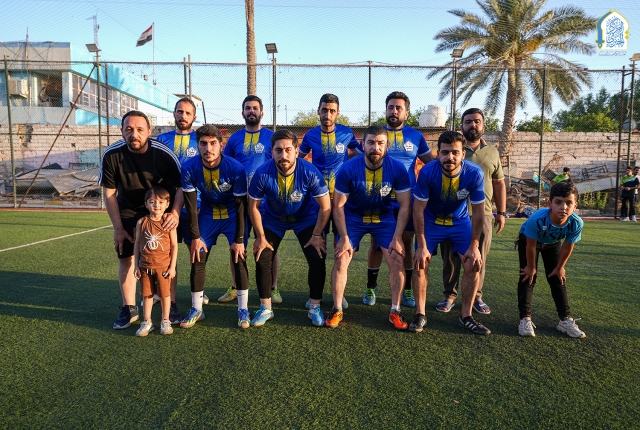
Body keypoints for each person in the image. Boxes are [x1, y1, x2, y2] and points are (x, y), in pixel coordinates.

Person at [98, 110, 183, 330]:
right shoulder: (111, 155)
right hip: (128, 208)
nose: (134, 134)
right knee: (125, 255)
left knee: (165, 256)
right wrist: (118, 228)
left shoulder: (163, 153)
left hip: (160, 209)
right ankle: (129, 307)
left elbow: (181, 186)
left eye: (139, 129)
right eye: (128, 129)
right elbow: (109, 193)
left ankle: (171, 304)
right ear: (121, 131)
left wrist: (174, 213)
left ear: (149, 131)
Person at [326, 125, 412, 330]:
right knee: (341, 257)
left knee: (397, 258)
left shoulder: (398, 168)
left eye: (380, 143)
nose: (376, 147)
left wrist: (397, 237)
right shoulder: (348, 168)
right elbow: (338, 206)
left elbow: (405, 205)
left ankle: (395, 310)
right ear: (363, 145)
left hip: (383, 219)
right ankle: (337, 308)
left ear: (387, 146)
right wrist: (344, 238)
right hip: (353, 218)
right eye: (371, 142)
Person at [248, 129, 331, 327]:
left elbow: (325, 206)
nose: (283, 155)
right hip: (274, 219)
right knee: (263, 256)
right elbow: (253, 207)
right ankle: (265, 308)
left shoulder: (310, 171)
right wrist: (260, 237)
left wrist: (317, 234)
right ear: (272, 152)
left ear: (296, 151)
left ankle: (315, 306)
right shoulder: (261, 173)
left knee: (317, 255)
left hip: (304, 218)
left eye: (288, 150)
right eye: (278, 150)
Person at [412, 130, 490, 335]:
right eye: (445, 152)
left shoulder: (474, 173)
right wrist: (421, 246)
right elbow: (418, 210)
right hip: (431, 222)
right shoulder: (427, 172)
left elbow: (479, 212)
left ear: (463, 154)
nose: (450, 157)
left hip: (459, 222)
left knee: (473, 263)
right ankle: (420, 314)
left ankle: (466, 316)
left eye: (455, 152)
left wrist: (474, 246)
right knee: (420, 262)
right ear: (438, 153)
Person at [362, 91, 434, 309]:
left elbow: (432, 164)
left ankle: (408, 289)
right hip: (380, 200)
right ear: (386, 110)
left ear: (406, 113)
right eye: (390, 107)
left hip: (407, 201)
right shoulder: (376, 135)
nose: (394, 111)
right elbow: (356, 157)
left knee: (407, 245)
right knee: (376, 244)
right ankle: (371, 287)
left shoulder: (415, 136)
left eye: (398, 108)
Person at [181, 124, 250, 329]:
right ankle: (196, 309)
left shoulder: (236, 168)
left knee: (239, 256)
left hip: (232, 215)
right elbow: (190, 206)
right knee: (197, 256)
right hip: (208, 215)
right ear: (198, 145)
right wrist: (195, 237)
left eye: (213, 143)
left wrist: (239, 240)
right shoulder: (189, 167)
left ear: (221, 145)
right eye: (203, 143)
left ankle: (243, 309)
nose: (208, 148)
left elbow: (241, 207)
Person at [437, 108, 506, 315]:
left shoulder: (492, 152)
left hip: (483, 213)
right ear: (462, 126)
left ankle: (476, 296)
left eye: (476, 121)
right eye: (468, 122)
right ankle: (449, 295)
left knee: (478, 257)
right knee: (450, 257)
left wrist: (501, 212)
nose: (472, 125)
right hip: (452, 212)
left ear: (483, 125)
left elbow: (499, 183)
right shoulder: (453, 149)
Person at [298, 93, 359, 309]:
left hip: (342, 200)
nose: (328, 114)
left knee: (340, 249)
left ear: (338, 113)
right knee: (319, 250)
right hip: (318, 201)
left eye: (332, 110)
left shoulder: (346, 133)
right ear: (318, 111)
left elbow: (359, 154)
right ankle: (317, 293)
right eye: (324, 110)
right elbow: (298, 160)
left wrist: (347, 167)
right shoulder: (310, 135)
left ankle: (338, 295)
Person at [222, 95, 280, 304]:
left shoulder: (271, 137)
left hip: (265, 204)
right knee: (236, 244)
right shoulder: (234, 139)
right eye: (248, 108)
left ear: (261, 112)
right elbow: (226, 165)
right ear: (243, 113)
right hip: (239, 202)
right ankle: (235, 286)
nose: (251, 111)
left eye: (255, 108)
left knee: (269, 245)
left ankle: (273, 288)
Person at [516, 181, 586, 338]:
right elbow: (530, 246)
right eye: (558, 202)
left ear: (575, 205)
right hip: (529, 241)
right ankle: (525, 319)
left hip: (553, 243)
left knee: (557, 278)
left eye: (569, 203)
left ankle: (565, 320)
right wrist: (531, 267)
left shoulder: (576, 223)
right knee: (528, 277)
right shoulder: (537, 219)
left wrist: (560, 267)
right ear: (550, 204)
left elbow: (567, 246)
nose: (563, 207)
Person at [156, 97, 202, 320]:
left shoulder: (201, 140)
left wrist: (201, 203)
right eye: (180, 112)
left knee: (196, 254)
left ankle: (197, 295)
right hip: (167, 210)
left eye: (188, 113)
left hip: (195, 208)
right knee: (166, 256)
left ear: (194, 117)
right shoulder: (162, 140)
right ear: (174, 114)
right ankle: (170, 300)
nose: (183, 116)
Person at [133, 186, 178, 336]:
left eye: (160, 202)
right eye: (152, 202)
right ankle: (147, 321)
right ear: (146, 204)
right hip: (145, 266)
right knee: (147, 295)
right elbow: (137, 244)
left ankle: (165, 320)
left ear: (167, 204)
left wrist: (172, 267)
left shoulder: (169, 223)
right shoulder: (141, 222)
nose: (156, 205)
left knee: (165, 294)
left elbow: (174, 245)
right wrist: (136, 266)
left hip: (163, 267)